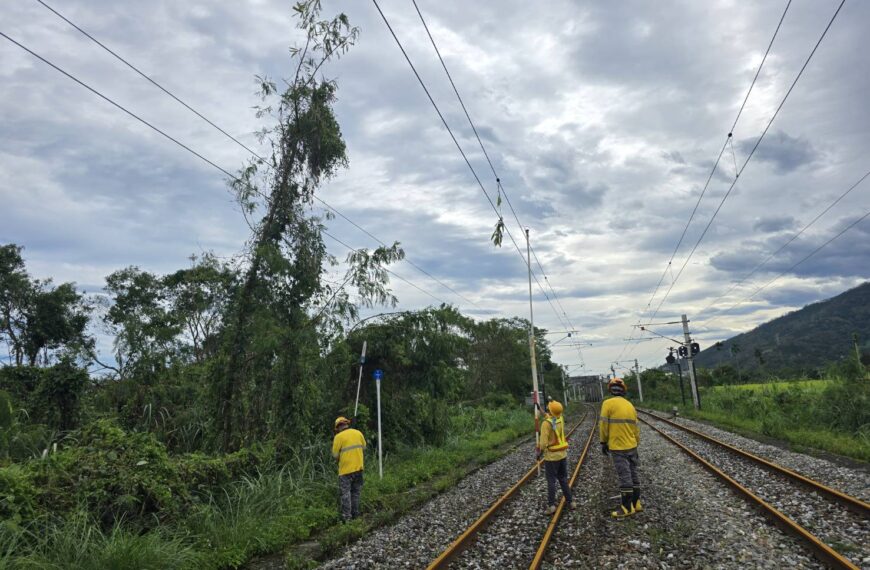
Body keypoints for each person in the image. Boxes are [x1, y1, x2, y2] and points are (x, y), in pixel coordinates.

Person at [599, 377, 642, 518]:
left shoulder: (607, 404)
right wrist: (636, 442)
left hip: (618, 446)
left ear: (611, 390)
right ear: (623, 391)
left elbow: (604, 425)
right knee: (633, 473)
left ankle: (626, 507)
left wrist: (603, 442)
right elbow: (636, 428)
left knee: (624, 476)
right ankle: (636, 503)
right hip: (632, 445)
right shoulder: (630, 405)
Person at [538, 400, 573, 514]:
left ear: (550, 411)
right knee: (563, 479)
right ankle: (571, 501)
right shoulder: (560, 419)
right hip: (562, 455)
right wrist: (540, 409)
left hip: (552, 458)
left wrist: (538, 453)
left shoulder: (545, 424)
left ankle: (551, 506)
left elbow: (543, 444)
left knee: (551, 481)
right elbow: (549, 417)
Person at [332, 416, 366, 521]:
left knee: (346, 494)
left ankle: (347, 518)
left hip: (345, 471)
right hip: (359, 468)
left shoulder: (338, 437)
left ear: (337, 427)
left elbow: (335, 455)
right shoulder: (358, 433)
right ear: (347, 424)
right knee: (356, 493)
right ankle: (356, 515)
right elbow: (364, 448)